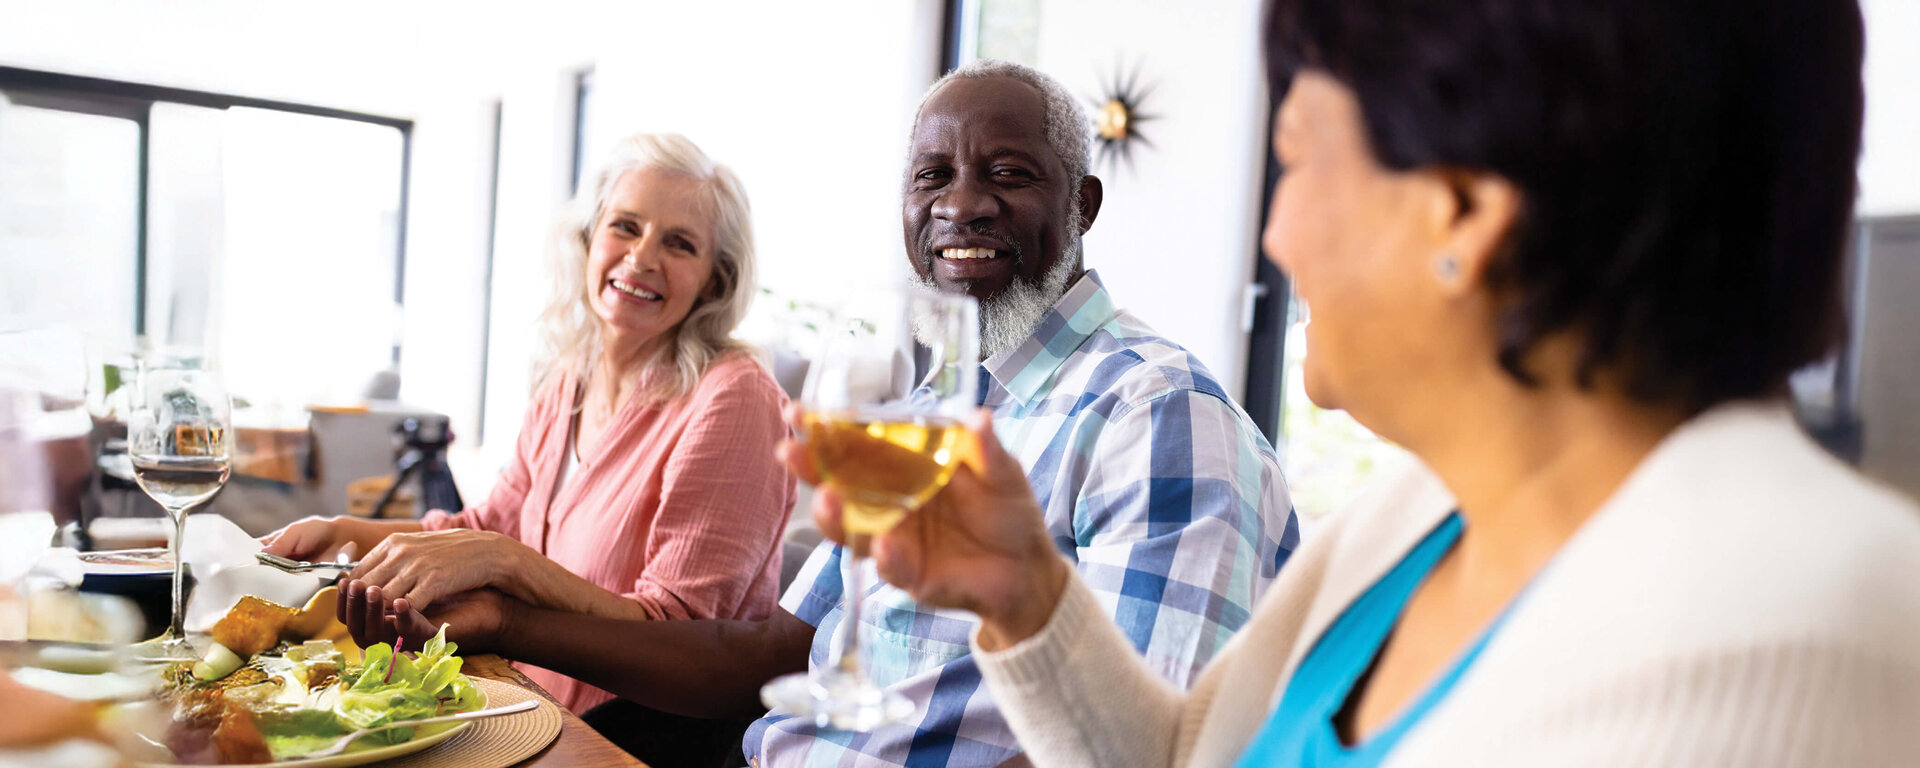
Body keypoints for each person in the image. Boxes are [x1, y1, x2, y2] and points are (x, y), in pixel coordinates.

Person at [789, 0, 1920, 765]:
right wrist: (1031, 602)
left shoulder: (1779, 633)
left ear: (1462, 215)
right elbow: (1188, 759)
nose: (1276, 234)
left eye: (1297, 162)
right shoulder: (1417, 518)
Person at [343, 60, 1299, 768]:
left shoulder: (1156, 414)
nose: (961, 205)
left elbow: (1157, 750)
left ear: (1082, 204)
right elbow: (763, 655)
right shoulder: (927, 414)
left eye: (1008, 173)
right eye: (932, 176)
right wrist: (500, 621)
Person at [265, 132, 796, 716]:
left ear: (714, 280)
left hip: (620, 739)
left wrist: (505, 560)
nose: (642, 257)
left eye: (679, 244)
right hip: (518, 705)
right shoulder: (568, 377)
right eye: (625, 226)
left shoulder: (735, 395)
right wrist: (342, 532)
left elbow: (681, 641)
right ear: (588, 239)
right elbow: (489, 525)